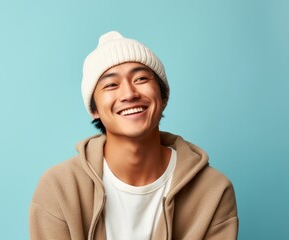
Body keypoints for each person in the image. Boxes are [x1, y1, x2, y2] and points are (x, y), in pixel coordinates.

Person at [29, 31, 238, 240]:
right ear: (94, 109)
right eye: (111, 84)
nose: (129, 94)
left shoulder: (214, 190)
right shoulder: (59, 187)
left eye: (140, 79)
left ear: (163, 96)